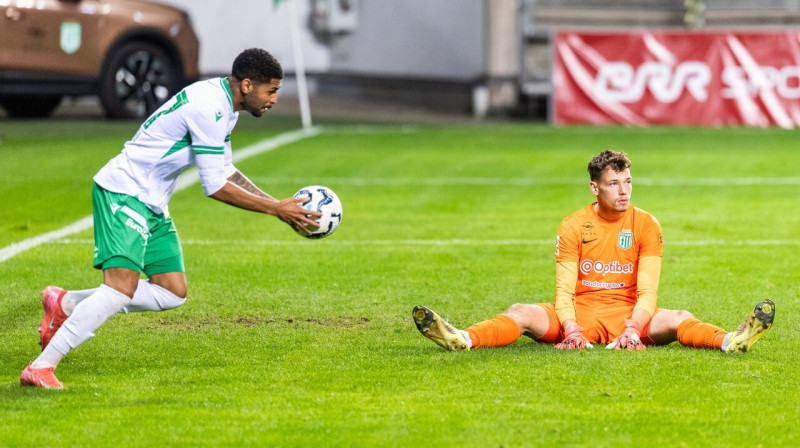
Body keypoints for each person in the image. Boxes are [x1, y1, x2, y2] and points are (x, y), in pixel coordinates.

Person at [20, 48, 322, 389]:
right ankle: (41, 367)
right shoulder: (209, 107)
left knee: (171, 292)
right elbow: (215, 186)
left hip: (151, 201)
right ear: (248, 85)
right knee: (120, 289)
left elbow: (226, 171)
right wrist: (275, 209)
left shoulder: (224, 105)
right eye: (272, 91)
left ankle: (65, 302)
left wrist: (277, 205)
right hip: (125, 191)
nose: (276, 99)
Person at [413, 149, 774, 354]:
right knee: (521, 312)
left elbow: (648, 292)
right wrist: (570, 328)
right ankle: (463, 338)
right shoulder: (572, 225)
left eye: (628, 182)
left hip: (630, 314)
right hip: (580, 312)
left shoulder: (647, 224)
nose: (624, 191)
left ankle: (732, 339)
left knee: (679, 317)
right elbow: (564, 290)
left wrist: (633, 329)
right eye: (614, 184)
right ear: (594, 188)